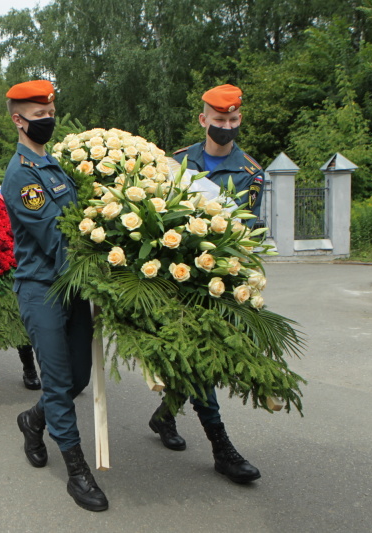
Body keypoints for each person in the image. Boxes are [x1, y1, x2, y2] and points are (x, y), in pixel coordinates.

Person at [148, 84, 263, 484]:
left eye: (232, 120)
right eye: (219, 121)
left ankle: (166, 418)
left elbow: (247, 234)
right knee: (193, 356)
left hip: (216, 281)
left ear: (239, 119)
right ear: (203, 120)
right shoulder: (177, 163)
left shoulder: (251, 173)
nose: (226, 126)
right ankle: (221, 449)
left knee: (197, 359)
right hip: (175, 282)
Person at [1, 80, 107, 512]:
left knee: (78, 377)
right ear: (17, 119)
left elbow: (80, 221)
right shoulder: (21, 175)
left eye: (49, 113)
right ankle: (78, 470)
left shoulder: (56, 166)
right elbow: (56, 241)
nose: (46, 120)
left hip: (74, 286)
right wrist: (109, 277)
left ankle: (32, 420)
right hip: (43, 288)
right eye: (37, 114)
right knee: (60, 384)